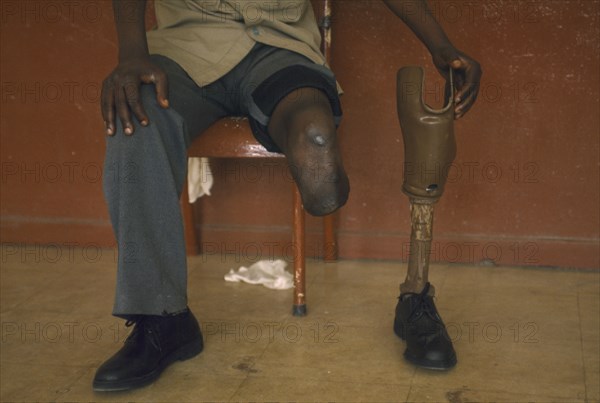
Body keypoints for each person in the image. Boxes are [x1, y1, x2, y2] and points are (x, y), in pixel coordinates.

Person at [94, 0, 482, 391]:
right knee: (135, 119)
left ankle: (323, 164)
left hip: (282, 51)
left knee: (315, 144)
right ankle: (162, 319)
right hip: (185, 51)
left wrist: (441, 46)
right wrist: (131, 54)